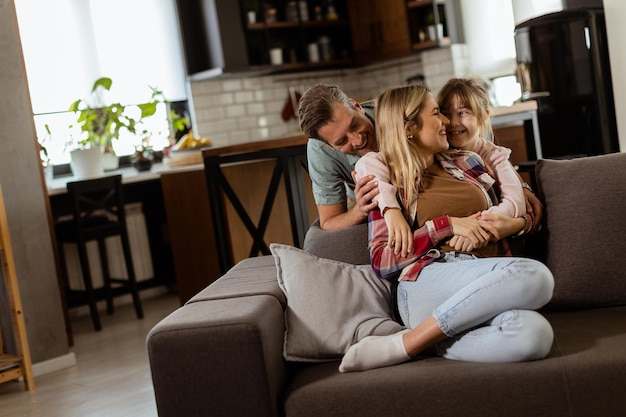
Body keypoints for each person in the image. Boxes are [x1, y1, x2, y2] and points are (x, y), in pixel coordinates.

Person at [339, 84, 554, 372]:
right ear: (409, 127)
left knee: (535, 335)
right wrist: (446, 227)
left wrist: (515, 224)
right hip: (426, 282)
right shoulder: (386, 179)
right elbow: (382, 261)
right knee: (536, 275)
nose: (447, 123)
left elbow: (510, 208)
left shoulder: (468, 162)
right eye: (438, 113)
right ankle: (406, 345)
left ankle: (424, 341)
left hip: (482, 277)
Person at [297, 83, 542, 232]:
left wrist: (516, 185)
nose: (358, 140)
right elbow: (328, 222)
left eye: (355, 124)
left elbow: (465, 142)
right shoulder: (320, 154)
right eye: (342, 142)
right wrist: (362, 211)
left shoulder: (394, 112)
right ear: (327, 145)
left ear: (357, 105)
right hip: (386, 212)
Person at [362, 77, 531, 257]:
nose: (450, 122)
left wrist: (484, 227)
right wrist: (391, 210)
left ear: (483, 116)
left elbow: (518, 205)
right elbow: (370, 162)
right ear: (410, 128)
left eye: (463, 113)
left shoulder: (481, 158)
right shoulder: (396, 176)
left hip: (489, 256)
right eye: (442, 113)